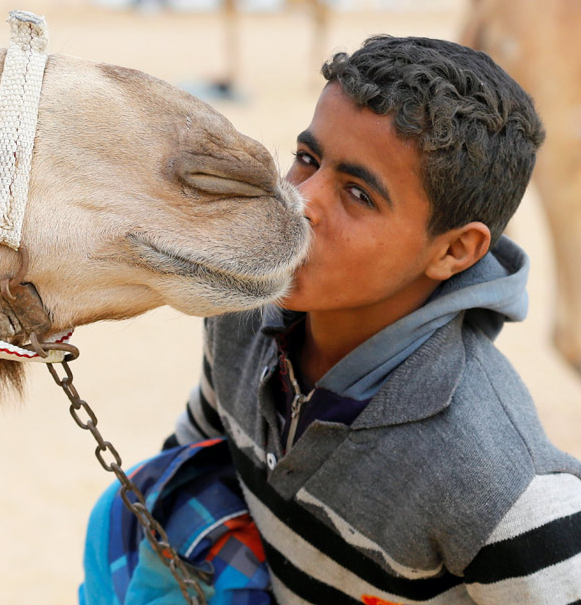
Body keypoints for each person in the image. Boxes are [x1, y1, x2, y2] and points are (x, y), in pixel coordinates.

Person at [82, 35, 581, 604]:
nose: (299, 202)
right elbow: (197, 460)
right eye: (307, 160)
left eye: (358, 194)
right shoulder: (244, 314)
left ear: (454, 251)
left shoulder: (500, 483)